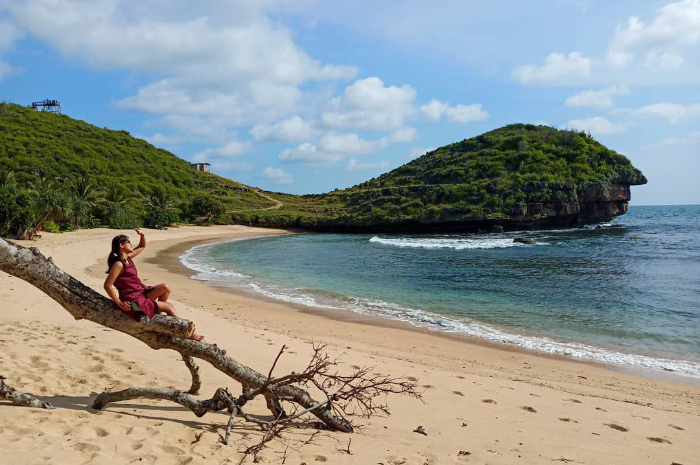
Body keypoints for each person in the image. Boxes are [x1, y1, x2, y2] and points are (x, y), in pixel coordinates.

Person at [103, 229, 204, 341]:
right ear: (121, 245)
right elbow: (107, 285)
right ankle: (188, 332)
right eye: (128, 242)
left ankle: (157, 316)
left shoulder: (128, 258)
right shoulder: (118, 264)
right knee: (169, 306)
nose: (131, 244)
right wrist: (120, 303)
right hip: (134, 304)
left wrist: (142, 235)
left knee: (165, 287)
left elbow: (142, 246)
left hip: (140, 294)